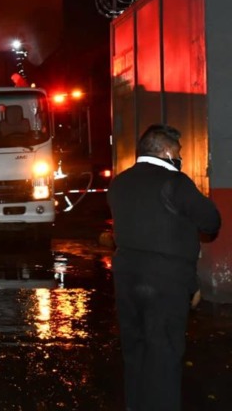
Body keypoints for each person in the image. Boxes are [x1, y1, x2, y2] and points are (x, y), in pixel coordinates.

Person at [107, 124, 221, 411]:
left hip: (127, 277)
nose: (180, 158)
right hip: (166, 281)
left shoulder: (119, 183)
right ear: (168, 151)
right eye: (179, 152)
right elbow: (211, 221)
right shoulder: (176, 182)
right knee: (165, 352)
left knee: (135, 350)